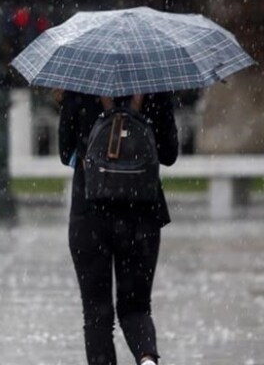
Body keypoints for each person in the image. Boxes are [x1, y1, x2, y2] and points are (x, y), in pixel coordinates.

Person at [59, 90, 179, 365]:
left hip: (90, 212)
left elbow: (65, 152)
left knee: (96, 314)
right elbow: (169, 154)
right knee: (137, 307)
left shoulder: (80, 83)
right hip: (142, 213)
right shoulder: (155, 83)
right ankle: (147, 359)